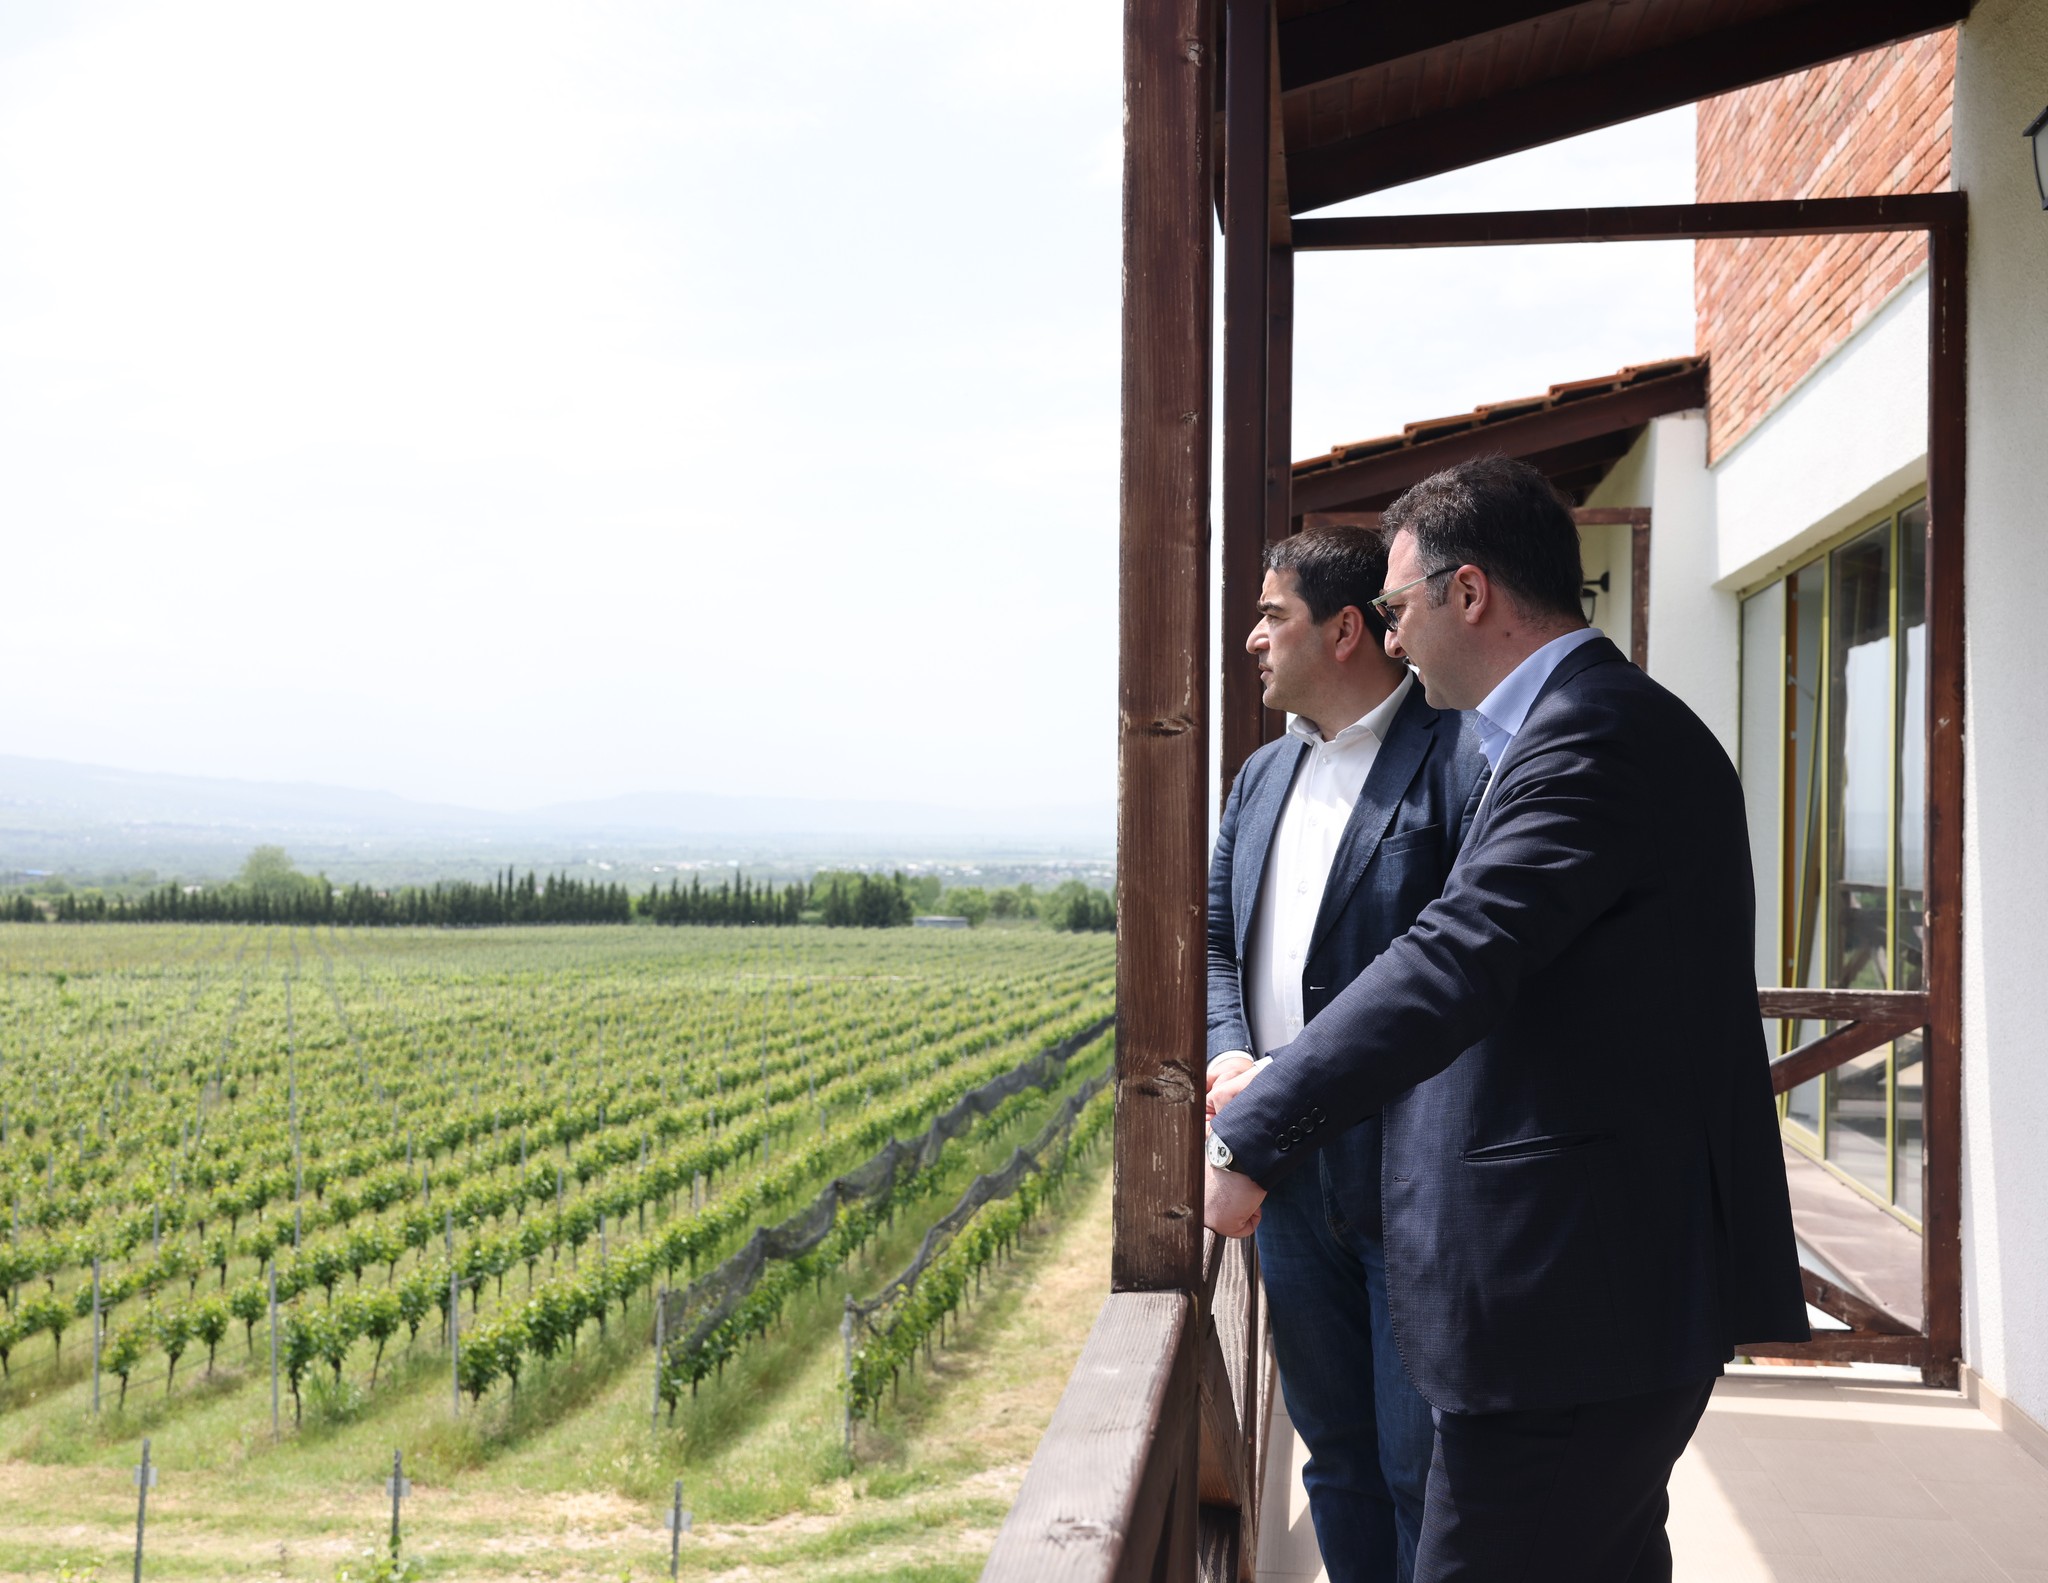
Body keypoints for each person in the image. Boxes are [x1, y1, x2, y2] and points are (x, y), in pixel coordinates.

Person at [1204, 457, 1808, 1583]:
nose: (1391, 635)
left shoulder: (1590, 737)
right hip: (1589, 1292)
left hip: (1573, 1300)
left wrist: (1256, 1126)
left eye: (1397, 606)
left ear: (1469, 592)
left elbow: (1457, 956)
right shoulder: (1570, 728)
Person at [1207, 526, 1487, 1583]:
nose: (1251, 638)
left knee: (1422, 1467)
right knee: (1336, 1456)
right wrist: (1232, 1058)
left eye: (1270, 615)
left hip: (1413, 1174)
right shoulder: (1258, 775)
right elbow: (1217, 943)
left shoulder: (1458, 758)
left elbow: (1457, 970)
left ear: (1342, 630)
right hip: (1286, 1174)